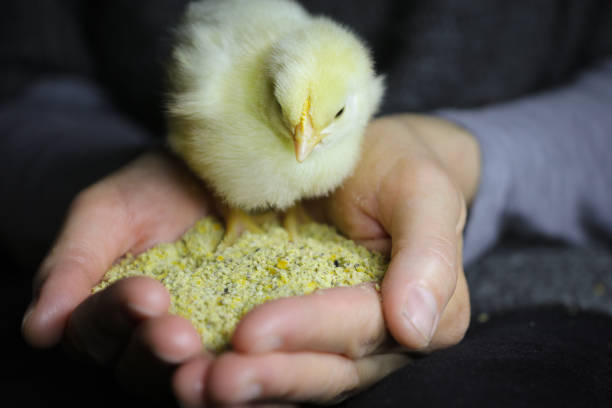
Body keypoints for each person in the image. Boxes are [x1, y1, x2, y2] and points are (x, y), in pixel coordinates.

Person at [3, 0, 611, 406]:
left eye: (326, 123)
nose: (302, 146)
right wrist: (96, 171)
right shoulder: (221, 83)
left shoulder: (348, 88)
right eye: (289, 120)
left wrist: (466, 158)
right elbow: (20, 79)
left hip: (554, 288)